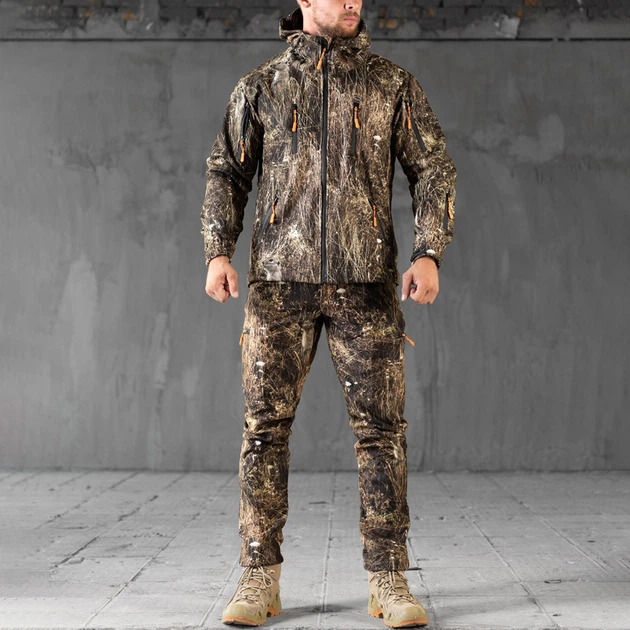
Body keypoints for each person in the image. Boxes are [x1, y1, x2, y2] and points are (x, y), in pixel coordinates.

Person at [200, 0, 457, 626]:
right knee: (264, 430)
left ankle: (389, 580)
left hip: (366, 285)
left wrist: (428, 252)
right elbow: (227, 172)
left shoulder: (391, 86)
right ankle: (258, 578)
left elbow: (433, 169)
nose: (352, 1)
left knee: (381, 434)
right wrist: (217, 251)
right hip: (277, 284)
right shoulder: (261, 87)